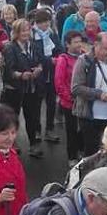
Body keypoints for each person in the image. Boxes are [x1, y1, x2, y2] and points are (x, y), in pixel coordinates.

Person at [72, 32, 107, 156]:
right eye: (106, 49)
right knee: (92, 152)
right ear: (96, 45)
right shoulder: (84, 61)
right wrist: (98, 94)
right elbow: (76, 88)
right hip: (91, 118)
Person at [1, 19, 47, 158]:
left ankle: (33, 145)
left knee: (32, 117)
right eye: (23, 30)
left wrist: (39, 68)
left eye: (28, 30)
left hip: (32, 89)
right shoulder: (10, 48)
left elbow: (41, 61)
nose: (26, 33)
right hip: (15, 90)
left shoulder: (34, 45)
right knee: (12, 119)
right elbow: (8, 71)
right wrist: (21, 75)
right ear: (16, 33)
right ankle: (11, 145)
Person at [55, 31, 85, 165]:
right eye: (75, 42)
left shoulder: (84, 57)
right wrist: (70, 98)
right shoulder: (63, 59)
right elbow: (59, 82)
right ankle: (72, 156)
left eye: (80, 41)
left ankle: (81, 152)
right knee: (72, 129)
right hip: (70, 103)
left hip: (83, 101)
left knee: (83, 129)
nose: (79, 44)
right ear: (67, 44)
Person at [33, 9, 61, 144]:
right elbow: (35, 55)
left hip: (52, 72)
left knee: (51, 102)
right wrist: (49, 60)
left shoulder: (52, 34)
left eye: (47, 22)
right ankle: (37, 130)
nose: (45, 25)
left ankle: (50, 128)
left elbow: (59, 49)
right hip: (39, 73)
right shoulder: (33, 36)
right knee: (37, 104)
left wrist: (57, 58)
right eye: (42, 22)